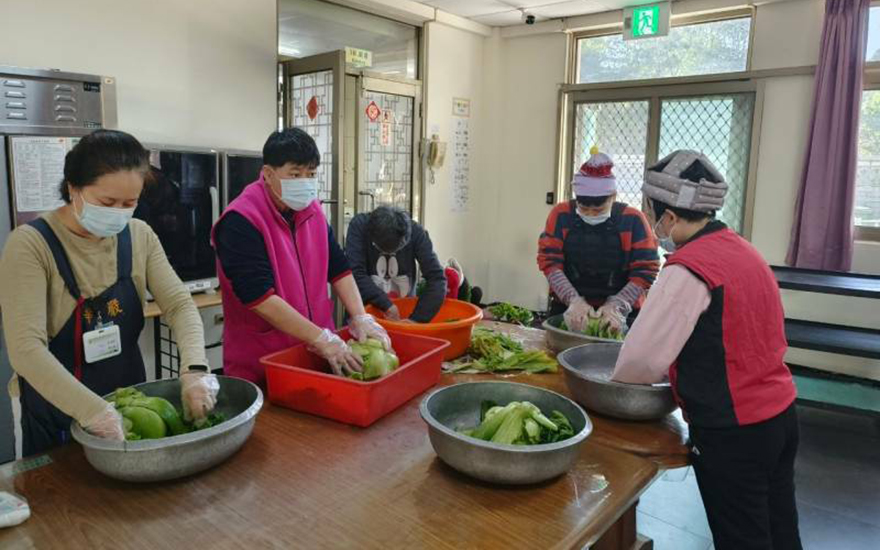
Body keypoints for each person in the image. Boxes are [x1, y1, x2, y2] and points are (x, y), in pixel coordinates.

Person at [612, 150, 802, 550]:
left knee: (742, 539)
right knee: (780, 529)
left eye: (653, 211)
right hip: (781, 416)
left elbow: (640, 361)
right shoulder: (742, 249)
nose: (651, 220)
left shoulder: (688, 268)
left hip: (735, 432)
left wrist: (616, 385)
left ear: (671, 217)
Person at [0, 130, 218, 458]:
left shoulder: (139, 235)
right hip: (56, 413)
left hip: (131, 402)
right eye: (107, 202)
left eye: (130, 203)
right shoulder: (30, 245)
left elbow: (178, 304)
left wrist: (195, 371)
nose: (120, 212)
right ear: (73, 189)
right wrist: (96, 413)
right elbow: (26, 351)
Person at [212, 128, 390, 384]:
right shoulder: (240, 220)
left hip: (318, 357)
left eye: (311, 174)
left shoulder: (312, 210)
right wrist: (322, 338)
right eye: (295, 174)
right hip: (264, 363)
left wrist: (360, 316)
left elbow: (338, 268)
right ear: (268, 174)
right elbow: (261, 299)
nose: (305, 182)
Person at [537, 147, 660, 332]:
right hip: (568, 309)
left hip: (622, 315)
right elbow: (549, 261)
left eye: (598, 209)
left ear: (613, 196)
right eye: (583, 208)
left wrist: (618, 304)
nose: (590, 214)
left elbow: (646, 270)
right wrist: (573, 300)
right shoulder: (561, 215)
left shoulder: (633, 220)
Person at [345, 205, 446, 323]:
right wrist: (386, 304)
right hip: (363, 314)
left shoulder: (416, 232)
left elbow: (437, 278)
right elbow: (354, 274)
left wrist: (416, 320)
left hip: (404, 311)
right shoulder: (360, 226)